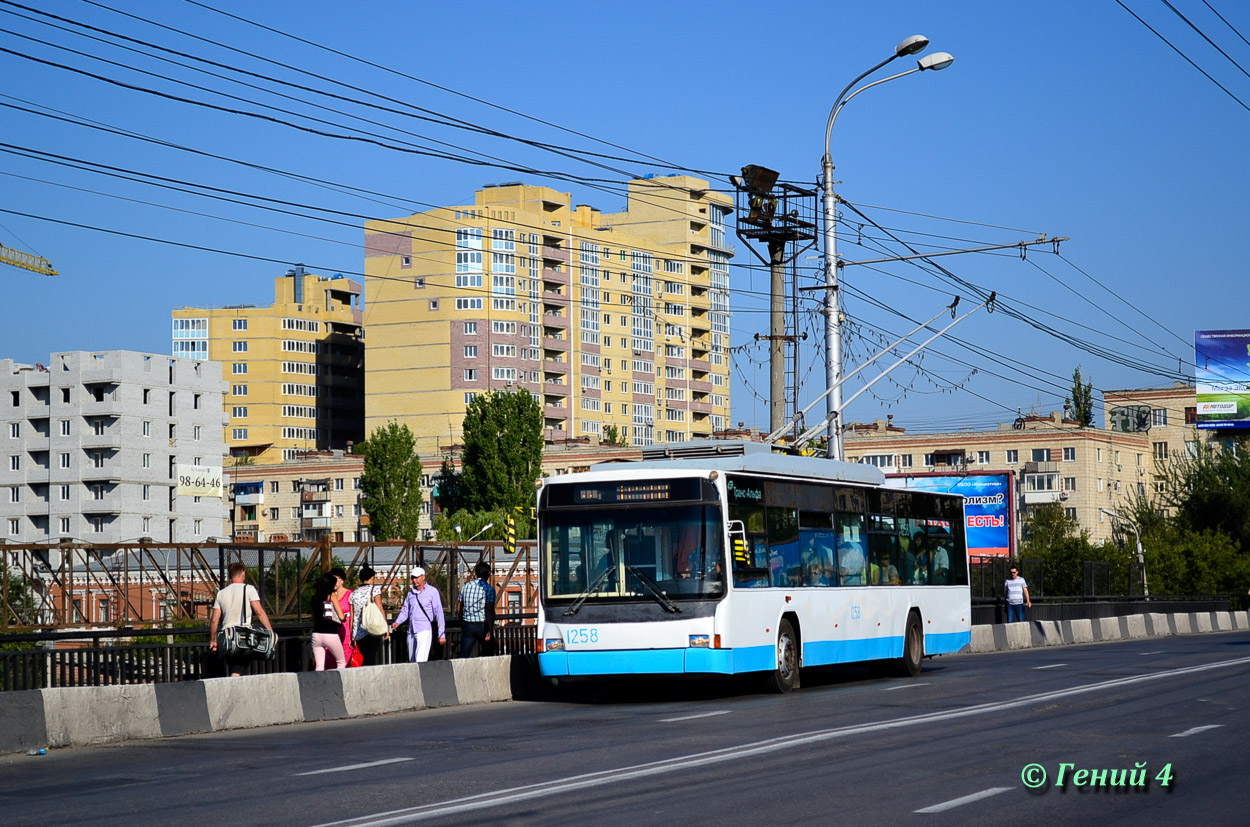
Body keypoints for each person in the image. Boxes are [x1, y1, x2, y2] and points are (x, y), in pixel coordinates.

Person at [208, 561, 274, 677]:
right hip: (243, 636)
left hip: (227, 637)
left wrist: (213, 640)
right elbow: (259, 612)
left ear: (230, 576)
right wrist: (270, 632)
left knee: (235, 666)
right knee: (238, 669)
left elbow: (214, 620)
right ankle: (233, 686)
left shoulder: (221, 594)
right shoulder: (249, 589)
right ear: (243, 574)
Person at [391, 567, 446, 663]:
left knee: (420, 660)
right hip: (411, 630)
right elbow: (405, 610)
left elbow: (439, 613)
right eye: (413, 578)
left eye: (416, 577)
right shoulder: (411, 593)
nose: (414, 580)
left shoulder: (432, 592)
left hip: (424, 629)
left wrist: (441, 633)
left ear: (423, 577)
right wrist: (398, 621)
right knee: (412, 661)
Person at [350, 565, 389, 666]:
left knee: (364, 657)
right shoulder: (374, 590)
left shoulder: (353, 593)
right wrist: (386, 627)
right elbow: (380, 608)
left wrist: (352, 636)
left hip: (358, 632)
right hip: (372, 628)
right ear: (372, 578)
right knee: (371, 657)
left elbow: (352, 616)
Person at [457, 560, 497, 658]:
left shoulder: (466, 586)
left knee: (464, 654)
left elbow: (459, 607)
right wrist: (490, 629)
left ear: (476, 573)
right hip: (482, 625)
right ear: (488, 573)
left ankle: (459, 667)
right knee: (489, 653)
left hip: (468, 624)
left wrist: (462, 621)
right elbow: (489, 610)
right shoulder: (489, 589)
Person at [311, 572, 347, 670]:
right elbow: (341, 616)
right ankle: (339, 680)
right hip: (330, 633)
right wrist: (344, 618)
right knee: (341, 662)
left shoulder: (314, 598)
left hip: (316, 634)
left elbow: (314, 618)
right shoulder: (331, 595)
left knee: (319, 666)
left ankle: (319, 680)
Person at [330, 567, 355, 666]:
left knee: (345, 654)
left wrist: (353, 635)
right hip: (332, 628)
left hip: (346, 628)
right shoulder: (330, 594)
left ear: (342, 580)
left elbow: (353, 614)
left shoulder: (350, 594)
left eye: (336, 579)